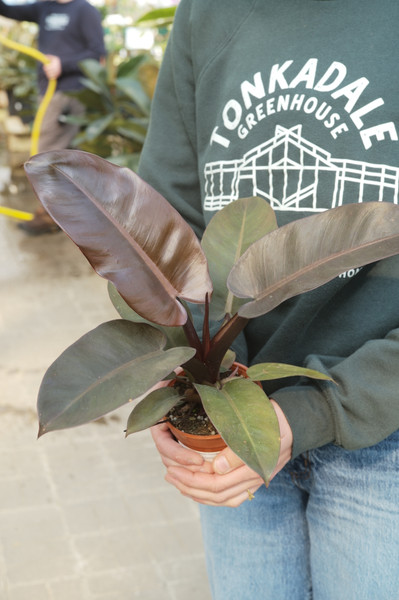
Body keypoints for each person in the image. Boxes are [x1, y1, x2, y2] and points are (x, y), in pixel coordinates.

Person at [138, 1, 399, 598]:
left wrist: (315, 413)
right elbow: (161, 220)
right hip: (233, 424)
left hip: (383, 435)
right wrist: (174, 367)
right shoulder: (208, 13)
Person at [0, 0, 106, 234]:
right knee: (58, 154)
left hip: (69, 93)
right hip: (48, 92)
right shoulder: (44, 7)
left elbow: (98, 54)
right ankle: (63, 213)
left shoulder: (84, 11)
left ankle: (50, 216)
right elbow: (8, 9)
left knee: (46, 153)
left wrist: (64, 64)